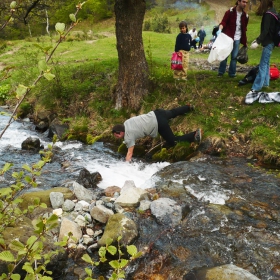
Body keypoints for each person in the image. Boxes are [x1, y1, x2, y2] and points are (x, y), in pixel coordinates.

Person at [112, 105, 202, 162]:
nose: (117, 138)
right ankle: (188, 107)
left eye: (117, 135)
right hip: (157, 113)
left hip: (159, 124)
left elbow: (130, 153)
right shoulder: (126, 122)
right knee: (173, 113)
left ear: (121, 132)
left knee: (173, 141)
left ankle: (194, 135)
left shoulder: (128, 137)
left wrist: (126, 166)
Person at [247, 0, 277, 95]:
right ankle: (265, 83)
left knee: (263, 65)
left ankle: (256, 87)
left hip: (268, 42)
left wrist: (258, 41)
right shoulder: (274, 12)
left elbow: (265, 31)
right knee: (266, 63)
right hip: (272, 42)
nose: (260, 4)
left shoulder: (268, 14)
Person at [216, 0, 249, 78]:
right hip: (228, 38)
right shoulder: (229, 12)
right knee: (224, 55)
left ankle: (232, 74)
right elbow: (223, 22)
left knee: (234, 57)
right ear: (238, 2)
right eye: (243, 2)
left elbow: (244, 29)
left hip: (237, 39)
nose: (245, 4)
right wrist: (220, 30)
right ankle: (221, 72)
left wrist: (245, 41)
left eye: (246, 2)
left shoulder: (245, 16)